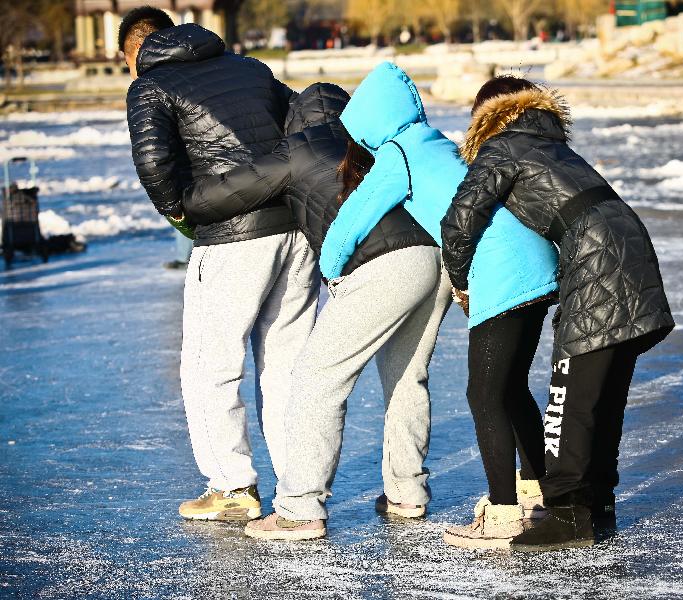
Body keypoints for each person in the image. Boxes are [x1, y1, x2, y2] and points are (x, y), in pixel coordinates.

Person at [181, 82, 449, 541]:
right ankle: (407, 491)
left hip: (382, 268)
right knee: (407, 376)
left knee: (317, 380)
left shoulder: (296, 148)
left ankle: (300, 509)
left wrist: (182, 201)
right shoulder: (366, 145)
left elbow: (226, 193)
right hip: (431, 259)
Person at [317, 62, 561, 549]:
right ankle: (539, 491)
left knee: (484, 395)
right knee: (512, 388)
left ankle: (503, 514)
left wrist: (331, 266)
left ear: (369, 121)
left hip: (502, 274)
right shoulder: (440, 143)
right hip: (537, 264)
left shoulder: (398, 155)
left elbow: (354, 218)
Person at [441, 76, 675, 552]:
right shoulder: (548, 143)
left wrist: (461, 282)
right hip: (629, 243)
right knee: (601, 393)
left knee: (569, 397)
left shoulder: (501, 146)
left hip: (594, 256)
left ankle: (568, 514)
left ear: (485, 116)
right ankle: (596, 507)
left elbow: (460, 219)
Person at [120, 8, 319, 521]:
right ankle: (300, 490)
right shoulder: (249, 68)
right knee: (285, 368)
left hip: (232, 238)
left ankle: (232, 487)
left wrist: (180, 208)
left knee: (210, 366)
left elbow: (152, 160)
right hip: (295, 231)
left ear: (135, 49)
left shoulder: (152, 84)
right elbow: (300, 119)